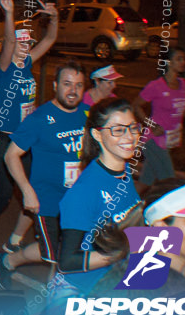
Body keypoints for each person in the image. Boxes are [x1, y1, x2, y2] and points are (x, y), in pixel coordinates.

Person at [0, 0, 59, 264]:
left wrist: (54, 18)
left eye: (28, 43)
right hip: (4, 140)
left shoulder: (28, 64)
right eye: (21, 43)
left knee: (36, 191)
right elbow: (8, 41)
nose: (25, 46)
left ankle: (14, 243)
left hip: (28, 141)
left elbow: (51, 38)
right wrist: (9, 13)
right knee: (4, 195)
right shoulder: (5, 69)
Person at [0, 60, 89, 290]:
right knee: (58, 256)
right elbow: (10, 155)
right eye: (67, 84)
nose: (72, 90)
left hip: (78, 200)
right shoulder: (40, 118)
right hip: (48, 201)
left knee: (62, 251)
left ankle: (6, 260)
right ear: (55, 85)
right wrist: (27, 191)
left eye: (78, 85)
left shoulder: (87, 114)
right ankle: (54, 302)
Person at [57, 98, 143, 294]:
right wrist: (123, 250)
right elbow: (67, 261)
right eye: (118, 130)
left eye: (132, 127)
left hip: (112, 284)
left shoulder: (124, 169)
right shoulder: (84, 191)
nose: (130, 136)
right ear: (97, 134)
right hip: (80, 293)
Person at [133, 48, 185, 188]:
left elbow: (181, 111)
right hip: (153, 141)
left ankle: (129, 206)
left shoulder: (183, 84)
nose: (183, 62)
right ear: (168, 62)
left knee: (145, 181)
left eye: (184, 59)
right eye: (179, 59)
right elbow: (136, 106)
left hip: (168, 141)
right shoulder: (156, 86)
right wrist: (152, 125)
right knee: (168, 182)